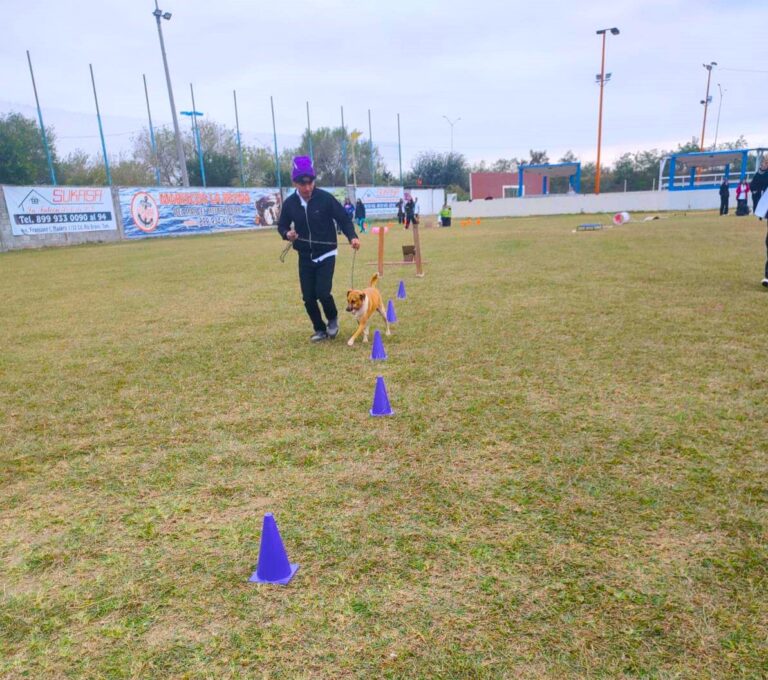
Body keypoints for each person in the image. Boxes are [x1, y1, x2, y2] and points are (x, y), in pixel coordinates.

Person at [278, 156, 360, 342]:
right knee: (308, 297)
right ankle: (320, 329)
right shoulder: (290, 203)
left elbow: (343, 219)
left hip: (327, 253)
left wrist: (352, 236)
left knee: (322, 292)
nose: (307, 188)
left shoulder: (325, 198)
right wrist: (287, 234)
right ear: (295, 182)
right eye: (302, 183)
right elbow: (282, 225)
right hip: (305, 255)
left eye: (310, 182)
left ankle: (332, 319)